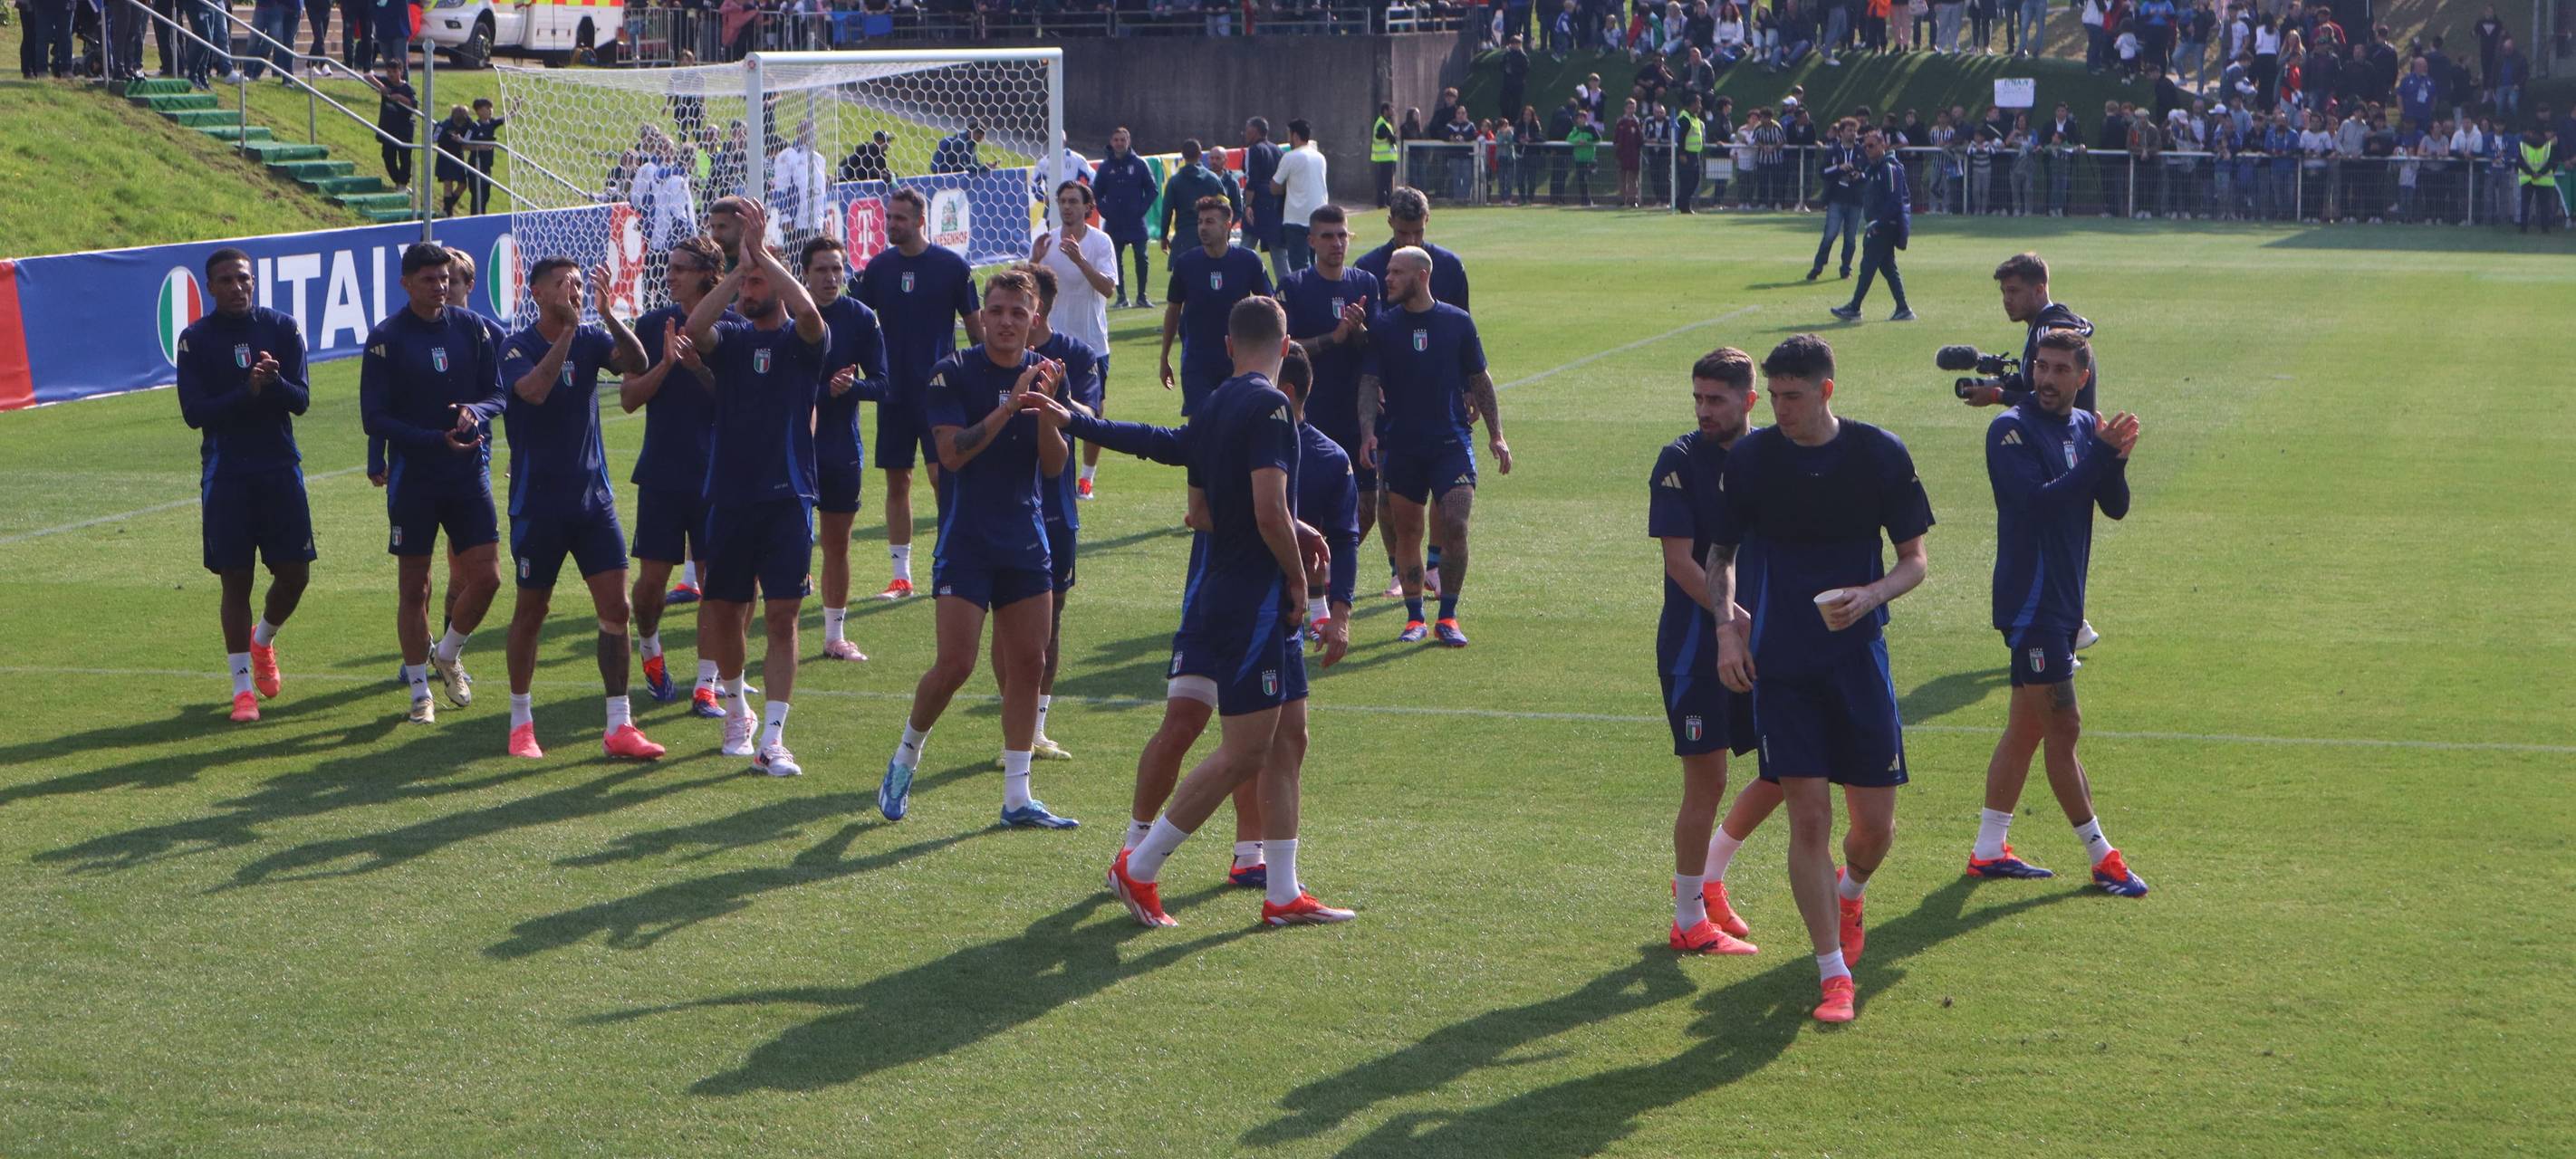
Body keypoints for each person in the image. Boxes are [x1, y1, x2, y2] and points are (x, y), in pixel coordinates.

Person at [1045, 338, 1353, 892]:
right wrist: (1298, 577)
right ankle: (1137, 858)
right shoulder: (1265, 408)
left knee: (1288, 738)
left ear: (1230, 344)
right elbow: (1249, 511)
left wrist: (1077, 420)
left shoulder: (1217, 404)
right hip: (1245, 601)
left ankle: (1276, 884)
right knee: (1229, 740)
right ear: (1284, 343)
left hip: (1243, 598)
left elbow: (1172, 463)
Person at [1708, 333, 1934, 1025]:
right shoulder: (1752, 461)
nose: (1780, 409)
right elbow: (1720, 557)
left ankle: (1851, 890)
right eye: (1774, 396)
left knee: (1875, 830)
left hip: (1858, 661)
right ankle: (1833, 974)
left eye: (1794, 396)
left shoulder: (1878, 454)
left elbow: (1915, 560)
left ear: (1826, 391)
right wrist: (1727, 630)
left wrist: (1871, 595)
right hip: (1783, 667)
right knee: (1808, 817)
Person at [874, 269, 1079, 830]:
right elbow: (952, 454)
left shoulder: (1046, 375)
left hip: (1025, 539)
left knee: (1029, 663)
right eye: (997, 311)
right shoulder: (953, 372)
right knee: (956, 664)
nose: (1007, 322)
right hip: (966, 540)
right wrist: (1011, 406)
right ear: (982, 315)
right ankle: (905, 757)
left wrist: (1045, 410)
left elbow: (1054, 467)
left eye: (1018, 312)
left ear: (1035, 319)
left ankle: (1017, 796)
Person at [1970, 330, 2151, 897]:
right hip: (2032, 605)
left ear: (2082, 377)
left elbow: (2114, 506)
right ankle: (2103, 857)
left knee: (2026, 728)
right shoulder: (2010, 430)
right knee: (2063, 727)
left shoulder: (2081, 427)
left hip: (2063, 603)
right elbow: (2038, 504)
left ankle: (1988, 849)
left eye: (2059, 370)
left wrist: (2114, 460)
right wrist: (2099, 455)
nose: (2046, 379)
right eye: (2040, 367)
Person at [680, 203, 829, 776]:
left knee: (783, 616)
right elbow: (695, 329)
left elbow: (810, 312)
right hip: (730, 496)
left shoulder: (802, 341)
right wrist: (741, 269)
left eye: (759, 280)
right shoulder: (733, 340)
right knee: (724, 609)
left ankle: (774, 737)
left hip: (788, 498)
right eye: (746, 281)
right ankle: (738, 711)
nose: (749, 289)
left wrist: (765, 257)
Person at [495, 259, 665, 761]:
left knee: (617, 609)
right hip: (538, 505)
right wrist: (568, 333)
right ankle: (521, 723)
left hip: (594, 502)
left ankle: (619, 725)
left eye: (577, 283)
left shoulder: (591, 338)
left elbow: (637, 362)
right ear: (537, 293)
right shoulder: (516, 347)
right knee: (532, 611)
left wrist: (608, 315)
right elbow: (533, 391)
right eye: (562, 284)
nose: (573, 290)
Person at [360, 243, 506, 725]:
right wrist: (431, 439)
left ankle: (447, 652)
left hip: (467, 474)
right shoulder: (386, 338)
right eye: (429, 279)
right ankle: (419, 692)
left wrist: (475, 411)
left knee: (488, 578)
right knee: (415, 588)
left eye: (445, 278)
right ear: (406, 283)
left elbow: (498, 393)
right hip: (415, 478)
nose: (440, 286)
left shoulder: (473, 328)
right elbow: (374, 416)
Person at [1648, 348, 1764, 954]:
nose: (1703, 410)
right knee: (1708, 781)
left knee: (1785, 768)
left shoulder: (1770, 454)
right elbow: (1680, 562)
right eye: (1698, 398)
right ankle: (1688, 918)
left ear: (1749, 400)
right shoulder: (1680, 459)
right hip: (1696, 648)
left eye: (1716, 399)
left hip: (1762, 638)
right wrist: (1734, 621)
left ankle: (1709, 878)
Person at [177, 248, 313, 725]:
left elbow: (301, 400)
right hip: (227, 473)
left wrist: (272, 384)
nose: (238, 287)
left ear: (253, 281)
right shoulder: (195, 339)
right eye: (227, 280)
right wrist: (247, 390)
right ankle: (241, 692)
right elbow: (194, 413)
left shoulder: (282, 328)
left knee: (296, 575)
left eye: (244, 278)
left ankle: (263, 640)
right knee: (236, 580)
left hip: (279, 468)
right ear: (210, 287)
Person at [1358, 246, 1513, 647]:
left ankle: (1448, 615)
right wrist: (1368, 431)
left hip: (1451, 443)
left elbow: (1480, 379)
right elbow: (1369, 383)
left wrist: (1496, 434)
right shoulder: (1384, 327)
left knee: (1456, 523)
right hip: (1402, 445)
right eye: (1388, 271)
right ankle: (1415, 618)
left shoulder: (1457, 322)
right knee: (1408, 530)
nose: (1388, 279)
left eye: (1397, 272)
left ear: (1422, 276)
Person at [619, 235, 736, 716]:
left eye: (680, 268)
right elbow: (629, 399)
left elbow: (738, 402)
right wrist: (667, 365)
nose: (670, 276)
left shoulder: (734, 326)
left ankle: (705, 685)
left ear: (709, 274)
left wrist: (699, 367)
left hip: (719, 476)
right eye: (668, 267)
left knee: (716, 584)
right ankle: (649, 646)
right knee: (650, 586)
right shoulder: (651, 325)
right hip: (663, 473)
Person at [855, 187, 983, 600]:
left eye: (900, 218)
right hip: (893, 393)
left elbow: (976, 331)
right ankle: (901, 576)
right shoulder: (878, 268)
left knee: (943, 478)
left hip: (939, 393)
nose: (891, 224)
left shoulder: (951, 267)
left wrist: (981, 381)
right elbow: (853, 322)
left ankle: (953, 561)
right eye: (889, 217)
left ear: (920, 221)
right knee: (898, 481)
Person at [1020, 263, 1100, 762]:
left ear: (1039, 308)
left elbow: (1092, 417)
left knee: (1051, 619)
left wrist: (1059, 399)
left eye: (1019, 305)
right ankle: (1016, 725)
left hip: (1055, 505)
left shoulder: (1074, 356)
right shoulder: (985, 360)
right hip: (1002, 505)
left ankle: (1035, 728)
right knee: (1009, 622)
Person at [1279, 206, 1385, 572]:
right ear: (1311, 241)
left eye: (1342, 235)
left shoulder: (1365, 284)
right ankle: (1311, 580)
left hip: (1356, 414)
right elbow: (1284, 348)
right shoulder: (1294, 287)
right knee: (1307, 506)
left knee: (1367, 507)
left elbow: (1376, 347)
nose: (1337, 243)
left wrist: (1359, 332)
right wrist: (1333, 337)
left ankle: (1327, 569)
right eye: (1327, 236)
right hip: (1311, 415)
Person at [802, 236, 888, 665]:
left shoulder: (860, 317)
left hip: (839, 449)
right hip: (791, 448)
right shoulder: (789, 314)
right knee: (782, 546)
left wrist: (852, 387)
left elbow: (883, 383)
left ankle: (834, 636)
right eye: (822, 269)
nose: (831, 277)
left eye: (837, 268)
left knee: (837, 544)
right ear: (805, 274)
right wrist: (824, 390)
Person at [1033, 180, 1117, 501]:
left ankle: (1086, 479)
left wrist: (1081, 261)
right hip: (1052, 343)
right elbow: (1026, 286)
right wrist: (1034, 259)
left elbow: (1108, 289)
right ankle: (1050, 477)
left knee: (1093, 413)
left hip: (1092, 343)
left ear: (1087, 207)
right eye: (1063, 201)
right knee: (1046, 409)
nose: (1067, 207)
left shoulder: (1100, 242)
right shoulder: (1047, 241)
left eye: (1073, 201)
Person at [1160, 195, 1272, 417]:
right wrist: (1165, 357)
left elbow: (1270, 307)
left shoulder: (1248, 261)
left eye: (1210, 222)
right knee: (1200, 424)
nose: (1203, 227)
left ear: (1227, 225)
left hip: (1239, 360)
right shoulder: (1186, 264)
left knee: (1238, 422)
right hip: (1197, 360)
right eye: (1200, 222)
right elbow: (1173, 310)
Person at [1828, 129, 1914, 322]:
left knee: (1867, 266)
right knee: (1888, 267)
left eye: (1871, 146)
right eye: (1865, 146)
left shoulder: (1889, 168)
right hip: (1879, 224)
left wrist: (1879, 223)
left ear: (1883, 146)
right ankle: (1903, 308)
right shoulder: (1875, 168)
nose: (1867, 149)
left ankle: (1855, 308)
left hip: (1884, 226)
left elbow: (1895, 200)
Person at [1353, 186, 1471, 310]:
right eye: (1403, 233)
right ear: (1390, 222)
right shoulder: (1367, 269)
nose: (1410, 241)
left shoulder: (1451, 267)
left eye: (1418, 232)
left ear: (1427, 220)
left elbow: (1461, 318)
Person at [1093, 127, 1156, 310]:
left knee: (1141, 256)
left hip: (1136, 221)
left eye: (1123, 140)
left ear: (1128, 142)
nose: (1119, 143)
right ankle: (1121, 297)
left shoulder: (1139, 164)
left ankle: (1142, 296)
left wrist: (1141, 209)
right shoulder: (1105, 167)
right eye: (1116, 140)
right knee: (1115, 259)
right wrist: (1105, 211)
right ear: (1111, 142)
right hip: (1114, 222)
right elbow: (1096, 193)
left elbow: (1152, 190)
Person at [1157, 139, 1240, 254]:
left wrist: (1164, 236)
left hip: (1184, 237)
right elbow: (1225, 207)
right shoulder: (1213, 179)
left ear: (1182, 155)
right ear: (1200, 155)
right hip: (1211, 235)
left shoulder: (1174, 182)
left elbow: (1167, 211)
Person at [1808, 117, 1864, 281]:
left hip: (1855, 201)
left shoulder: (1861, 151)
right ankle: (1818, 266)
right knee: (1830, 234)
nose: (1853, 133)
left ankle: (1846, 269)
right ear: (1841, 133)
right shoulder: (1833, 151)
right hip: (1836, 200)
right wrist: (1839, 168)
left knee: (1850, 239)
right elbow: (1823, 172)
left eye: (1854, 130)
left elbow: (1868, 172)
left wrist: (1859, 175)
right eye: (1849, 130)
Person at [1272, 119, 1330, 274]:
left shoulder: (1290, 157)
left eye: (1289, 135)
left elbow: (1274, 187)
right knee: (1317, 265)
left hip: (1296, 219)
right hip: (1319, 217)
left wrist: (1285, 186)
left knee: (1299, 268)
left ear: (1295, 136)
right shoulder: (1320, 157)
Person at [1239, 117, 1286, 283]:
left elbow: (1252, 180)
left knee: (1244, 250)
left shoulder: (1254, 150)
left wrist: (1248, 205)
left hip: (1258, 205)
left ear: (1255, 131)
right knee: (1279, 254)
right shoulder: (1278, 150)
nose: (1245, 133)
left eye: (1247, 129)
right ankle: (1287, 288)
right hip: (1276, 205)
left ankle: (1236, 282)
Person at [364, 61, 417, 189]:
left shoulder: (407, 88)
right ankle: (397, 181)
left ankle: (403, 183)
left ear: (401, 71)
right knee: (388, 156)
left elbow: (413, 105)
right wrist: (381, 86)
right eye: (389, 72)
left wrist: (399, 97)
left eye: (394, 71)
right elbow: (367, 76)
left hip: (404, 130)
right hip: (387, 128)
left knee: (405, 157)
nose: (391, 75)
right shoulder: (386, 82)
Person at [465, 97, 514, 216]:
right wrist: (481, 147)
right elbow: (464, 144)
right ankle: (475, 218)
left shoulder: (491, 123)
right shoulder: (474, 126)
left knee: (486, 195)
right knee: (477, 195)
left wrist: (516, 107)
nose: (490, 110)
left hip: (487, 165)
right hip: (476, 165)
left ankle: (483, 216)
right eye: (487, 108)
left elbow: (507, 117)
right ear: (479, 111)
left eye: (491, 108)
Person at [1371, 102, 1400, 207]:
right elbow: (1391, 139)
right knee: (1384, 182)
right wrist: (1394, 137)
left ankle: (1387, 202)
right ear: (1385, 111)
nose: (1393, 112)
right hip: (1385, 158)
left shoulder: (1386, 123)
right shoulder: (1382, 124)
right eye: (1391, 109)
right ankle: (1382, 202)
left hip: (1387, 157)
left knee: (1387, 181)